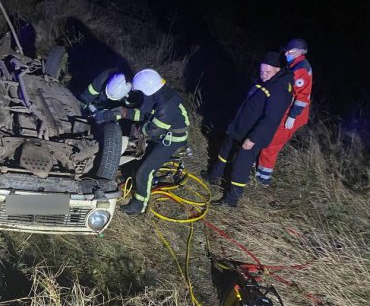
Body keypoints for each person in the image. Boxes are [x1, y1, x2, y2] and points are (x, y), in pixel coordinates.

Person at [95, 69, 190, 215]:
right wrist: (125, 113)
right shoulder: (160, 95)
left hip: (172, 139)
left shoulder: (166, 106)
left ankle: (139, 205)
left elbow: (151, 130)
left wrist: (138, 129)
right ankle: (137, 186)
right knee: (137, 163)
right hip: (164, 133)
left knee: (145, 171)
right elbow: (146, 114)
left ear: (146, 89)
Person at [204, 52, 293, 207]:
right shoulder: (269, 80)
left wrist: (253, 139)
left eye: (267, 72)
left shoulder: (280, 89)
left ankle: (231, 200)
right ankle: (213, 177)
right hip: (240, 126)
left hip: (252, 134)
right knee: (225, 151)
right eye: (261, 71)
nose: (263, 75)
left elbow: (271, 119)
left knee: (241, 165)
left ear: (278, 70)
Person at [256, 38, 312, 185]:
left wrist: (292, 116)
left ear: (296, 52)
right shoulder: (296, 64)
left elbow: (302, 97)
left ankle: (263, 178)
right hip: (287, 112)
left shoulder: (300, 69)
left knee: (271, 144)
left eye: (288, 51)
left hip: (292, 115)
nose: (286, 53)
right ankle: (260, 172)